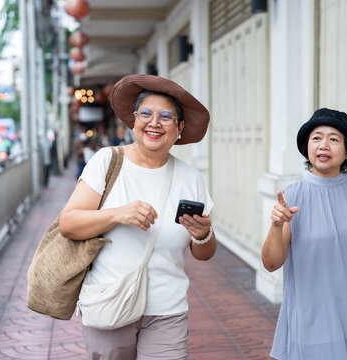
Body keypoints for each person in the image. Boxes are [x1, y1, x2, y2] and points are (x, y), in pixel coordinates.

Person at [59, 74, 217, 360]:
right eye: (146, 113)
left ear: (179, 128)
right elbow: (68, 223)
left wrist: (203, 234)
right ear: (134, 121)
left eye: (166, 116)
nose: (154, 122)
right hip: (111, 301)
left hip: (167, 308)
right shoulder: (106, 161)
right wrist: (118, 214)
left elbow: (204, 253)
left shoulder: (190, 177)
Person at [262, 108, 347, 359]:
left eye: (334, 139)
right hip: (314, 318)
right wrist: (276, 225)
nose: (324, 145)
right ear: (307, 147)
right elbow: (271, 263)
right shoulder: (292, 196)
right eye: (317, 138)